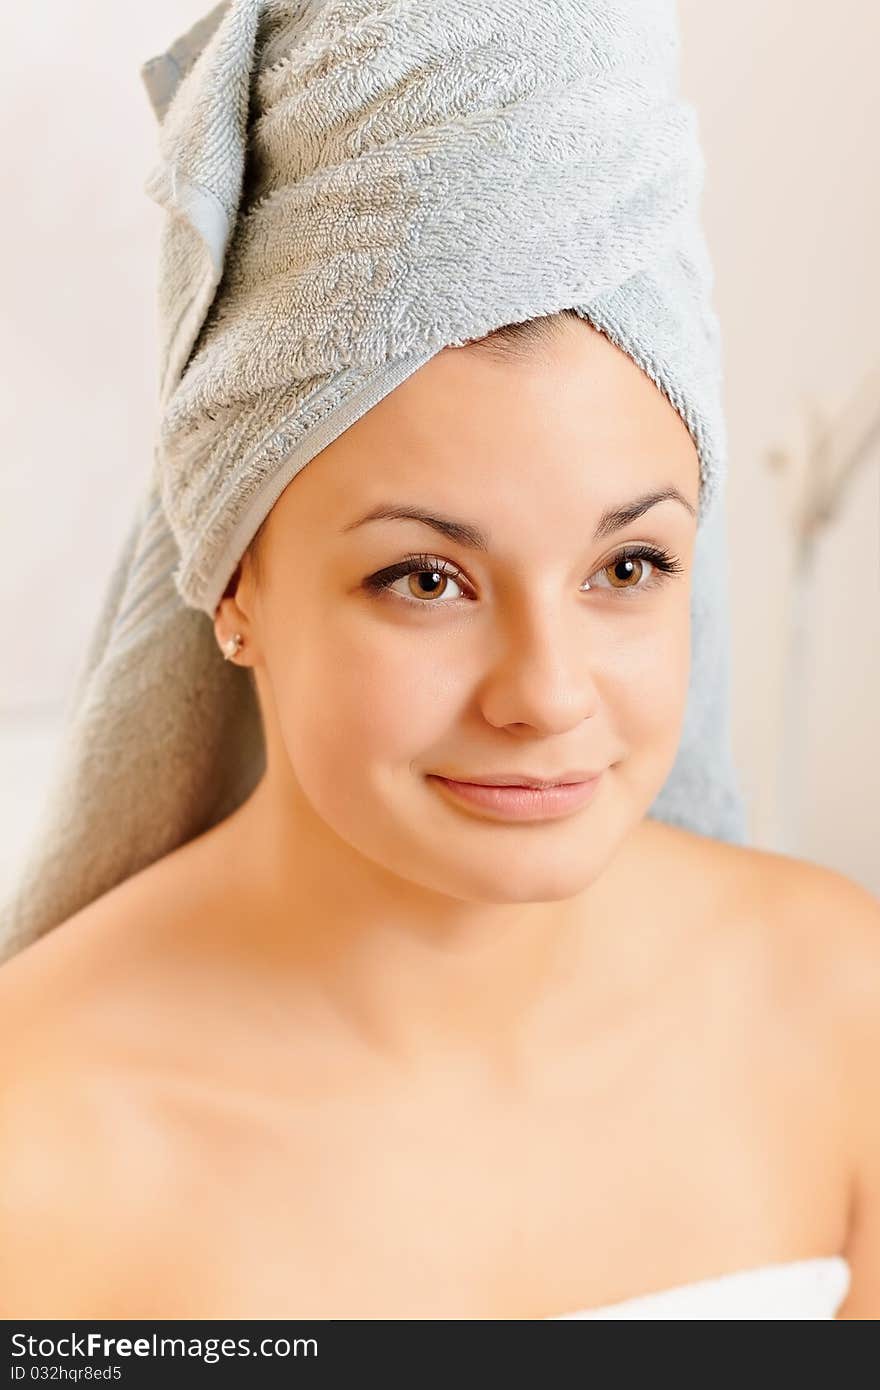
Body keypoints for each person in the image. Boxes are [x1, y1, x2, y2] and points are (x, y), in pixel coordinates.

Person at [0, 308, 877, 1319]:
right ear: (234, 582)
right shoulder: (40, 1144)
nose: (548, 694)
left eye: (626, 566)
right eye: (425, 580)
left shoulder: (834, 998)